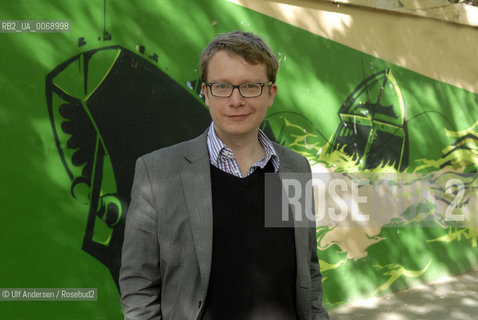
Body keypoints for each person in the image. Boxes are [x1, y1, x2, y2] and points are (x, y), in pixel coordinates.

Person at [119, 30, 329, 320]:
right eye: (222, 87)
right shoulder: (159, 173)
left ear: (271, 94)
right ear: (205, 93)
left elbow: (308, 270)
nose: (236, 100)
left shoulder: (293, 168)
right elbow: (138, 282)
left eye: (250, 87)